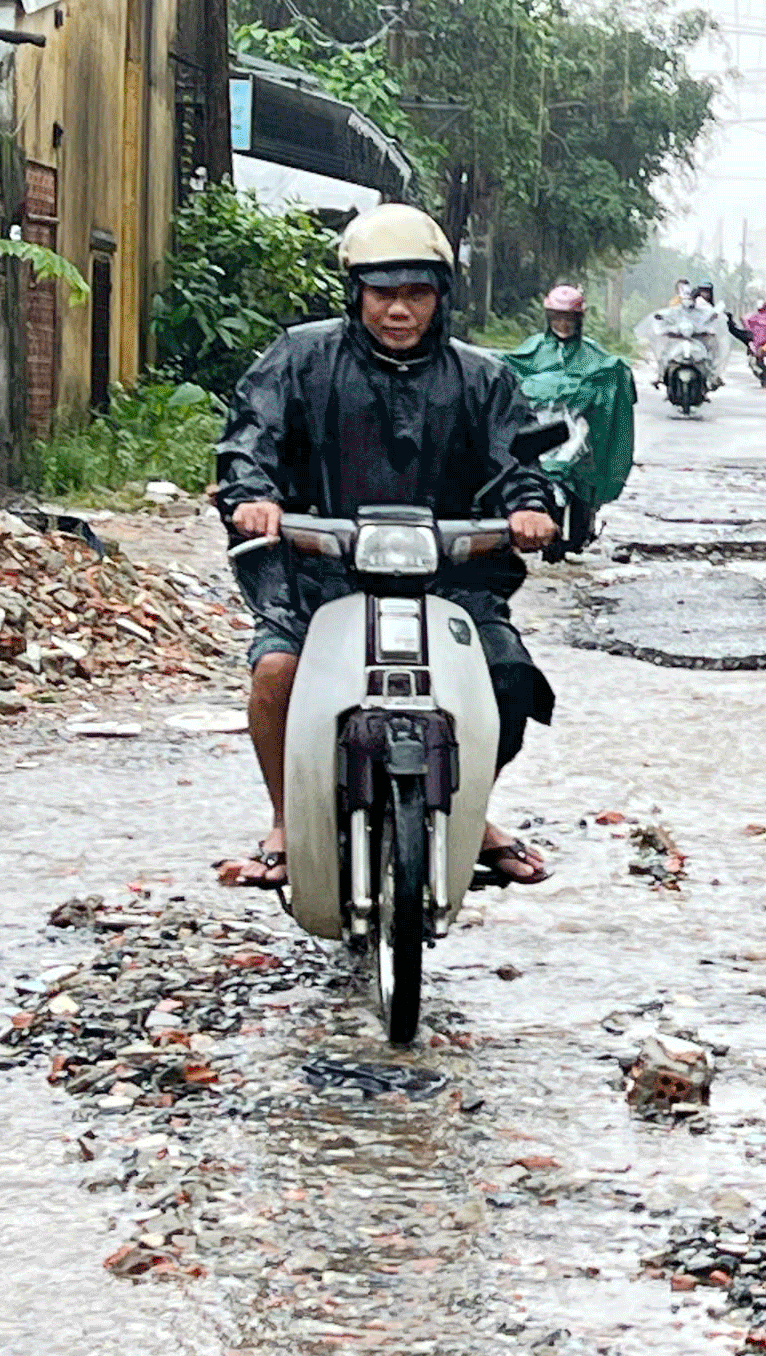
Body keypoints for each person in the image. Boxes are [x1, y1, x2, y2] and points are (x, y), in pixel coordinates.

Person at [213, 203, 557, 891]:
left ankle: (471, 813)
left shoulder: (482, 378)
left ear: (441, 298)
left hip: (450, 576)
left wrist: (528, 508)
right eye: (383, 293)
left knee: (508, 679)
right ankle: (286, 819)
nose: (399, 310)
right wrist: (255, 497)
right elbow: (251, 437)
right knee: (277, 670)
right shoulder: (300, 359)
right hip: (319, 569)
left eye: (417, 293)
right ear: (356, 294)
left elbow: (518, 461)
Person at [501, 284, 636, 559]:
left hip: (579, 437)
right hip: (544, 432)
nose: (562, 325)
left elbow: (613, 381)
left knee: (582, 483)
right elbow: (506, 369)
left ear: (579, 321)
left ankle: (581, 529)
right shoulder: (533, 350)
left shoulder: (594, 356)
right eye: (557, 319)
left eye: (568, 320)